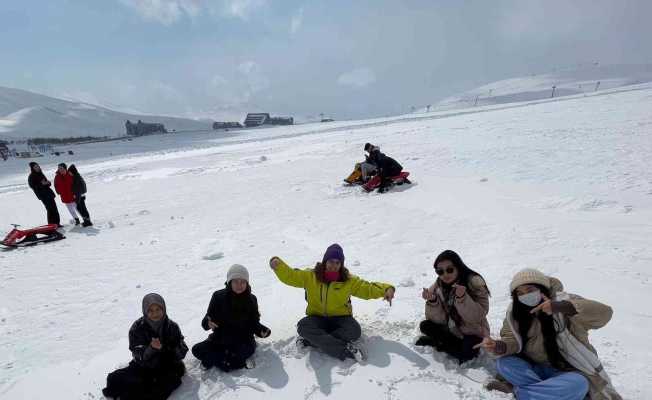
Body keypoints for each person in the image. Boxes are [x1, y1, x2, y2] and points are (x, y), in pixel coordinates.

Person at [476, 268, 622, 400]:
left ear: (542, 288)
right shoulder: (515, 313)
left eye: (530, 290)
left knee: (579, 384)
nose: (525, 295)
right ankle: (549, 392)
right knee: (504, 363)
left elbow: (605, 314)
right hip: (536, 369)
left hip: (568, 372)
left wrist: (560, 307)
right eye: (520, 293)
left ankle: (518, 392)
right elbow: (511, 340)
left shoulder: (564, 302)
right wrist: (497, 345)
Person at [269, 243, 395, 362]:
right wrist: (278, 265)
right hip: (317, 318)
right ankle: (345, 351)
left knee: (354, 331)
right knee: (303, 326)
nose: (333, 265)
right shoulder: (310, 276)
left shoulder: (348, 280)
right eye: (330, 261)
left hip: (341, 319)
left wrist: (386, 289)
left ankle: (312, 341)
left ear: (341, 265)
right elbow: (291, 276)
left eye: (337, 262)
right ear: (325, 261)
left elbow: (367, 288)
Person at [102, 293, 188, 400]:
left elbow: (182, 349)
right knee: (114, 379)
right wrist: (151, 349)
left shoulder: (172, 327)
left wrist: (167, 348)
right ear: (145, 311)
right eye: (150, 310)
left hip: (167, 366)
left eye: (158, 309)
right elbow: (136, 351)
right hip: (145, 365)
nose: (155, 313)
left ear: (164, 308)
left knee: (153, 390)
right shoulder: (137, 327)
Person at [192, 264, 271, 371]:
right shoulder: (218, 296)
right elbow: (207, 319)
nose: (239, 285)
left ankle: (216, 360)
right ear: (229, 282)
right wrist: (208, 322)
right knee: (196, 349)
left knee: (241, 353)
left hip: (243, 341)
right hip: (220, 339)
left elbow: (254, 322)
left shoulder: (252, 299)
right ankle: (227, 361)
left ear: (247, 283)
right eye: (235, 281)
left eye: (242, 282)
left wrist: (262, 330)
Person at [416, 250, 490, 363]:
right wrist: (433, 301)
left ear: (458, 267)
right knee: (425, 325)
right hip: (451, 328)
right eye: (440, 271)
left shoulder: (474, 283)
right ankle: (445, 343)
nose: (445, 274)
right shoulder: (439, 285)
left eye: (449, 270)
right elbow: (438, 320)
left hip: (472, 331)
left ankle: (439, 343)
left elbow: (477, 316)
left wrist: (462, 299)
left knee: (467, 354)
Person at [27, 162, 61, 226]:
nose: (37, 168)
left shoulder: (41, 174)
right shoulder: (31, 176)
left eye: (38, 166)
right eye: (35, 167)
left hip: (49, 194)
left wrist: (48, 183)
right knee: (50, 209)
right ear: (32, 168)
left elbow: (47, 184)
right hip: (43, 196)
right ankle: (51, 225)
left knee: (54, 208)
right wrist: (41, 184)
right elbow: (33, 187)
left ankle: (57, 223)